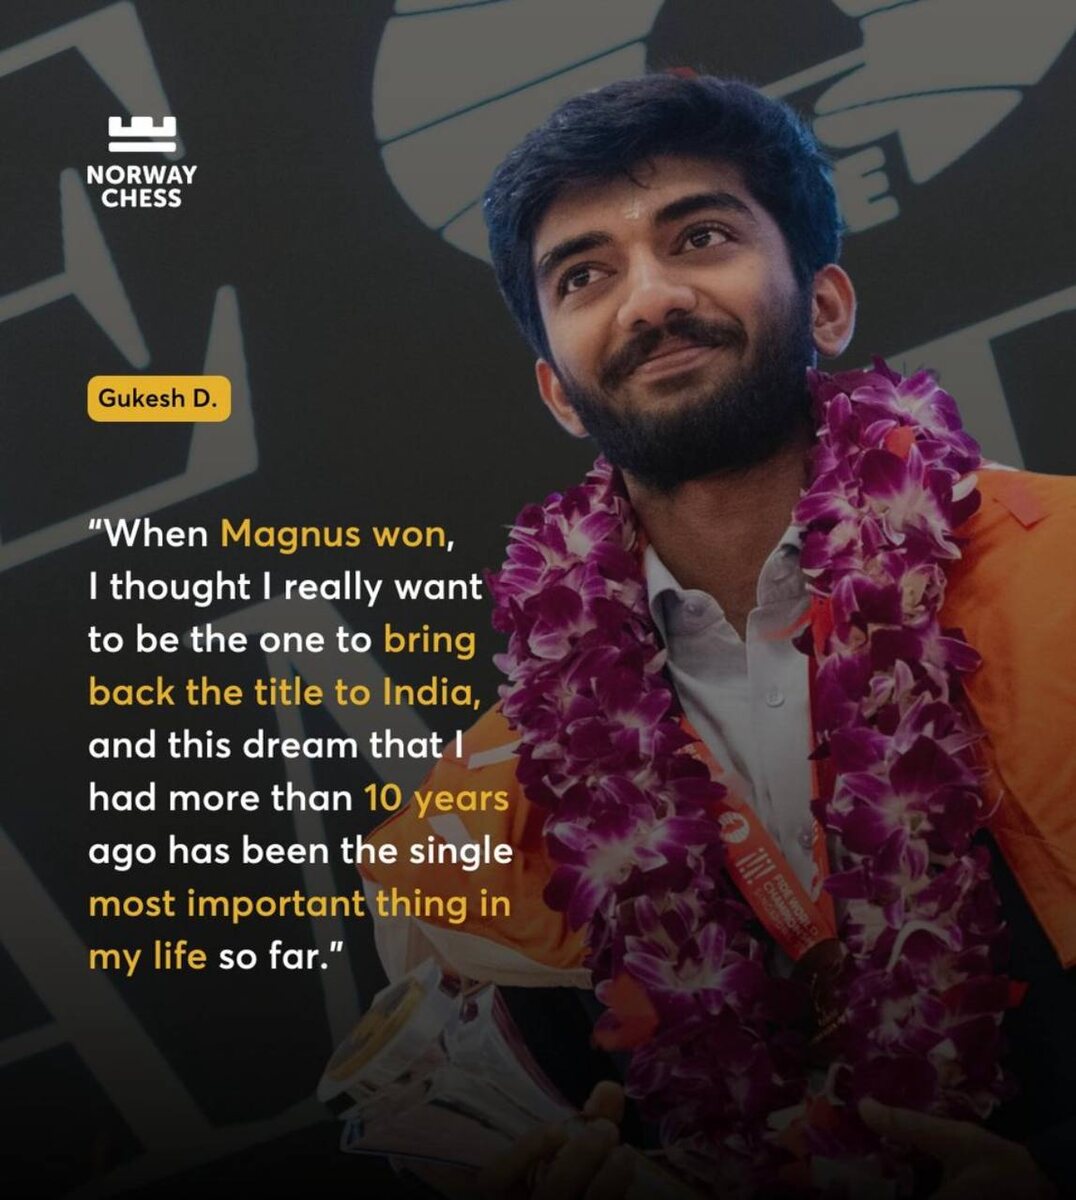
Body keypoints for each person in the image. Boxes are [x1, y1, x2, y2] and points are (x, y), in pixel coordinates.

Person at [362, 74, 1075, 1198]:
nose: (648, 299)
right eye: (584, 274)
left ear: (825, 304)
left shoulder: (1061, 573)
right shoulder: (484, 807)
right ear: (556, 390)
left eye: (698, 236)